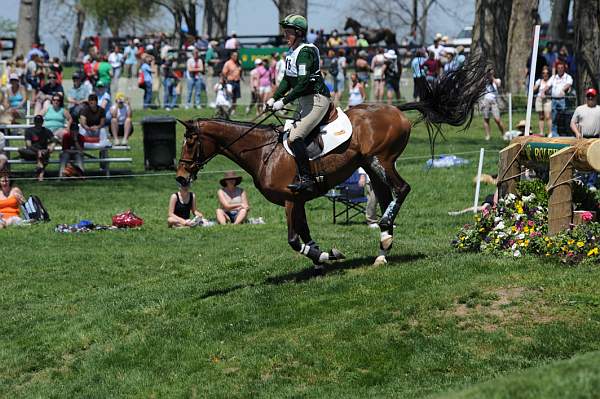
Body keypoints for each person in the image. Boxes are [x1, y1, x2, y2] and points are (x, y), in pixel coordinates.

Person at [266, 14, 331, 193]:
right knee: (286, 136)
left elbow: (303, 84)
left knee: (295, 138)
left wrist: (284, 101)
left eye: (288, 32)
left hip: (317, 100)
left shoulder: (305, 52)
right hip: (304, 100)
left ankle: (307, 179)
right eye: (284, 32)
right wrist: (274, 97)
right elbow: (288, 79)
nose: (285, 35)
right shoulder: (292, 52)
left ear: (299, 33)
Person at [18, 115, 55, 181]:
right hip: (31, 152)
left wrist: (52, 146)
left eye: (40, 122)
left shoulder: (46, 131)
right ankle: (39, 170)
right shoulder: (29, 131)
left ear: (42, 122)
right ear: (34, 122)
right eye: (37, 122)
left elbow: (54, 140)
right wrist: (38, 151)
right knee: (20, 150)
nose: (38, 123)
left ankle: (40, 174)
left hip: (43, 152)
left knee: (44, 154)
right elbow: (28, 145)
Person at [480, 69, 506, 141]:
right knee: (486, 118)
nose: (490, 74)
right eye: (489, 73)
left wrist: (492, 78)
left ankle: (504, 134)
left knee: (497, 119)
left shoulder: (497, 80)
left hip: (494, 101)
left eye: (492, 72)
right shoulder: (485, 81)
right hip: (486, 100)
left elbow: (498, 85)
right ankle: (488, 136)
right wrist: (486, 78)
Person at [548, 62, 573, 137]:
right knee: (554, 118)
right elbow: (548, 85)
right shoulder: (553, 77)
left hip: (563, 100)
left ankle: (566, 134)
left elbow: (568, 84)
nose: (560, 69)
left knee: (565, 117)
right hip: (554, 100)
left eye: (562, 68)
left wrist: (563, 90)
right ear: (556, 69)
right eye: (558, 68)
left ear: (564, 68)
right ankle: (554, 134)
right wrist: (543, 91)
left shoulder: (567, 77)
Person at [533, 66, 552, 136]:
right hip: (539, 99)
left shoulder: (550, 81)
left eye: (546, 73)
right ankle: (541, 132)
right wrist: (533, 88)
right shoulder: (539, 81)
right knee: (541, 117)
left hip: (547, 99)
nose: (545, 74)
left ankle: (550, 132)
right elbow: (534, 88)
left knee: (548, 116)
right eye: (543, 73)